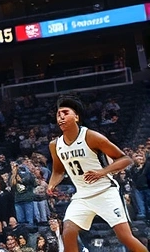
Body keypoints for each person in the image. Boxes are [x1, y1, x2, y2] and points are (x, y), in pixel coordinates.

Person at [46, 96, 147, 252]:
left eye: (65, 113)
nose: (61, 117)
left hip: (105, 192)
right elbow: (58, 171)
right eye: (58, 114)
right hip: (82, 196)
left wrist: (102, 172)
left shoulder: (91, 136)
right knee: (68, 232)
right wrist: (52, 184)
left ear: (77, 117)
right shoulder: (55, 145)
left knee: (125, 237)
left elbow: (125, 159)